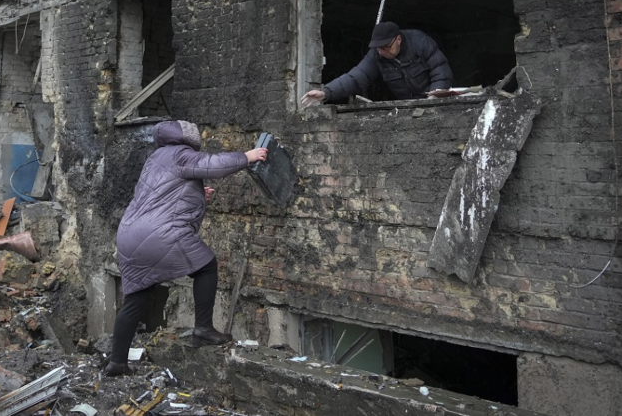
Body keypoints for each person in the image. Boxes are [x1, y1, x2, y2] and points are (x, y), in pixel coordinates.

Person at [103, 120, 268, 377]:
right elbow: (213, 165)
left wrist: (199, 194)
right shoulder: (181, 154)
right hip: (159, 233)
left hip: (129, 234)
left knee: (137, 297)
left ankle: (117, 362)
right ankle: (203, 327)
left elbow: (164, 195)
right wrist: (247, 157)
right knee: (206, 266)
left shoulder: (156, 158)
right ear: (188, 137)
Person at [301, 21, 453, 106]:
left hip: (434, 102)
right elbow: (356, 77)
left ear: (398, 40)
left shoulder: (420, 42)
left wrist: (434, 100)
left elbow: (440, 72)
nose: (382, 52)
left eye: (386, 47)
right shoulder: (376, 54)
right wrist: (326, 92)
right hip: (409, 106)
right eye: (378, 48)